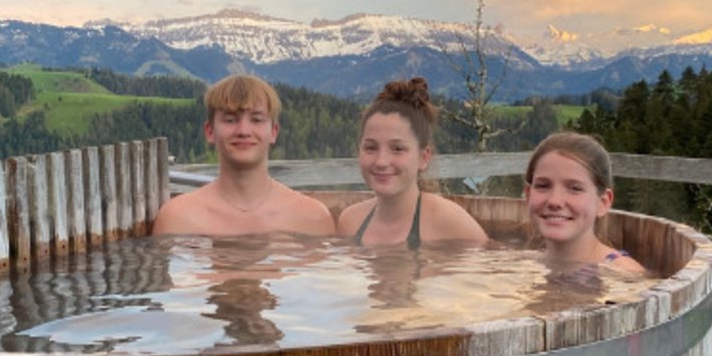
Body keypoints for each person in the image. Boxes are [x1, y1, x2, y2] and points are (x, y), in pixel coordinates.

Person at [153, 74, 335, 236]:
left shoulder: (312, 218)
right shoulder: (179, 218)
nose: (243, 131)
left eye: (256, 119)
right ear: (210, 131)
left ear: (273, 131)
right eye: (230, 120)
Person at [337, 78, 488, 247]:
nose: (381, 161)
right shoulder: (350, 222)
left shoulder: (451, 223)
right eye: (371, 148)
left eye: (397, 149)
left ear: (424, 157)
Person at [524, 132, 648, 276]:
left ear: (603, 202)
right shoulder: (529, 264)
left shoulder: (624, 274)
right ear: (528, 194)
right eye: (543, 186)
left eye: (575, 188)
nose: (554, 201)